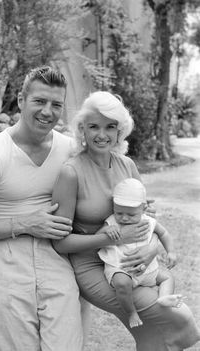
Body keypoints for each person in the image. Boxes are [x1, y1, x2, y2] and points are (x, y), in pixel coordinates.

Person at [52, 91, 200, 350]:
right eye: (94, 126)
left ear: (120, 130)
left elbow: (145, 220)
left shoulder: (128, 165)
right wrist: (105, 237)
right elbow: (60, 244)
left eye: (110, 126)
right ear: (81, 130)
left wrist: (151, 249)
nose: (102, 134)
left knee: (149, 334)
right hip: (92, 267)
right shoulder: (71, 172)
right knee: (175, 313)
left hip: (134, 261)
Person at [0, 66, 84, 351]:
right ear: (20, 100)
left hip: (57, 259)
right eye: (39, 101)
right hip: (7, 262)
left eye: (56, 105)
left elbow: (97, 194)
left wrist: (131, 209)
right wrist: (25, 223)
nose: (47, 111)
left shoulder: (71, 151)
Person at [97, 177, 184, 329]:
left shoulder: (148, 221)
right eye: (119, 213)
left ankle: (164, 297)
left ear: (143, 209)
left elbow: (163, 234)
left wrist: (171, 251)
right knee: (122, 284)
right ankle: (131, 312)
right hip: (121, 269)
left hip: (148, 271)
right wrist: (106, 230)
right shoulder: (111, 222)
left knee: (167, 277)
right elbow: (97, 238)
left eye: (131, 215)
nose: (124, 218)